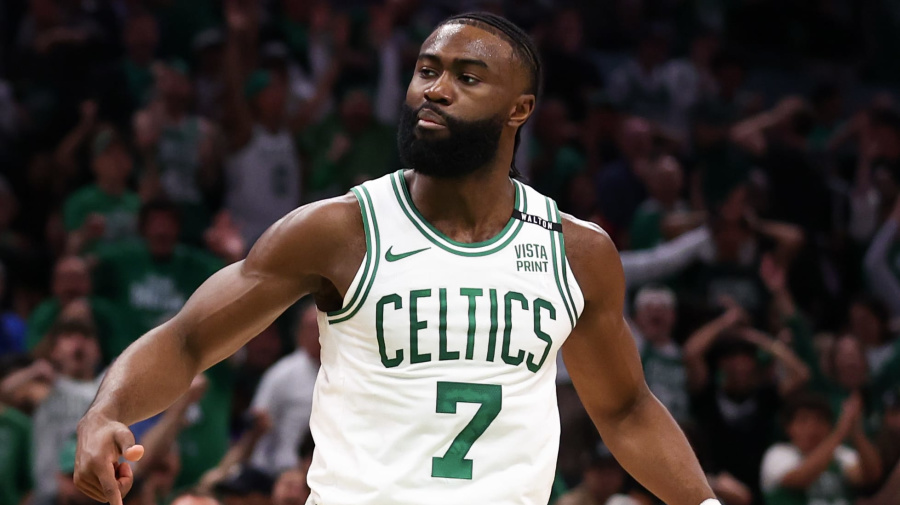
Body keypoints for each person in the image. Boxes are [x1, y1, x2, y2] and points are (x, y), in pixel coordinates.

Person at [76, 12, 717, 505]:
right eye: (426, 70)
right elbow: (187, 339)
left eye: (467, 77)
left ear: (520, 109)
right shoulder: (340, 230)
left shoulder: (575, 251)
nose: (435, 90)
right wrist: (106, 413)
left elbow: (626, 408)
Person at [760, 393, 882, 505]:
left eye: (820, 420)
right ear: (788, 427)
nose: (812, 427)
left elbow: (871, 476)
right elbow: (799, 479)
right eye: (804, 420)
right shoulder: (778, 453)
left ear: (829, 425)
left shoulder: (840, 454)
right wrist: (840, 432)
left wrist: (856, 433)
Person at [248, 303, 320, 475]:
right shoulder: (283, 372)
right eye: (312, 328)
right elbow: (259, 417)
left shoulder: (341, 370)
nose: (318, 333)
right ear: (300, 333)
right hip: (281, 468)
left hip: (322, 468)